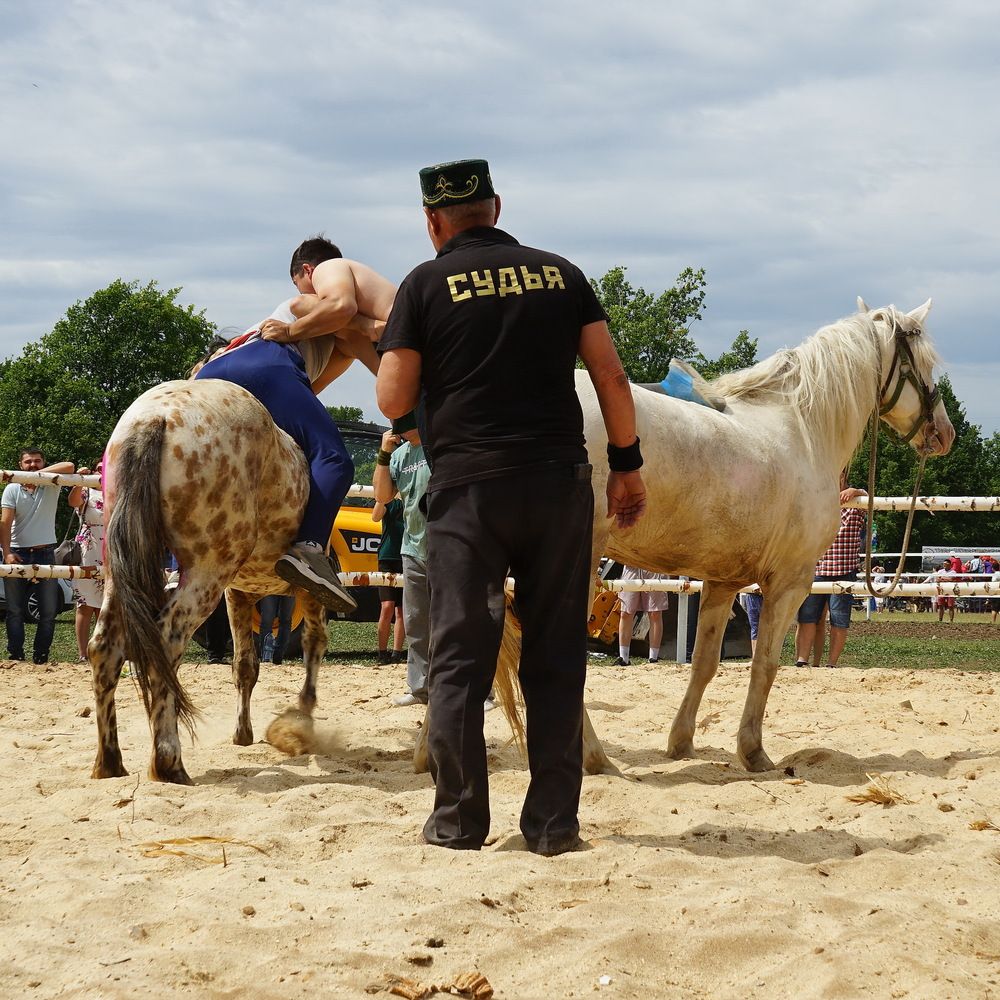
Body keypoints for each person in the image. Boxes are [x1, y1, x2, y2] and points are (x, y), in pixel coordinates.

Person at [377, 158, 646, 856]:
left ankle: (460, 821)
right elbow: (610, 376)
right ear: (495, 206)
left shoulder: (424, 283)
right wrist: (627, 467)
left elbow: (392, 399)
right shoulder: (561, 274)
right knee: (557, 653)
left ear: (433, 221)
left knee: (459, 658)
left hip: (469, 490)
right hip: (558, 483)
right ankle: (554, 826)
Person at [195, 239, 396, 612]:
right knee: (334, 460)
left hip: (217, 369)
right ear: (312, 273)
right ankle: (308, 549)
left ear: (303, 271)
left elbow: (309, 389)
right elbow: (355, 320)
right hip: (265, 362)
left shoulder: (329, 338)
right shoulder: (300, 305)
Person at [373, 417, 433, 705]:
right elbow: (382, 496)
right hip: (412, 548)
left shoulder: (440, 442)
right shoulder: (399, 455)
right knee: (415, 623)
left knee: (456, 623)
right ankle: (419, 689)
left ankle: (480, 691)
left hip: (448, 547)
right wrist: (384, 454)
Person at [1, 449, 75, 664]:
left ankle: (41, 656)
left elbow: (69, 465)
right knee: (14, 610)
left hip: (45, 552)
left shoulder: (52, 483)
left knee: (49, 611)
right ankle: (16, 655)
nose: (32, 465)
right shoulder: (12, 487)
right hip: (18, 551)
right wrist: (7, 553)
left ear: (43, 463)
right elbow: (5, 523)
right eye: (28, 462)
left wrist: (37, 478)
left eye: (37, 461)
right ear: (20, 464)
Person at [794, 475, 867, 668]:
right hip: (818, 568)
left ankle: (831, 663)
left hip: (844, 570)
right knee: (807, 617)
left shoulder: (855, 503)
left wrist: (856, 492)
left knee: (839, 619)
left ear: (844, 477)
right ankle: (802, 659)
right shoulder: (819, 499)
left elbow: (870, 499)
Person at [67, 462, 105, 662]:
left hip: (110, 547)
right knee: (85, 604)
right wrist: (79, 481)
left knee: (104, 605)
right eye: (98, 468)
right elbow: (73, 502)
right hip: (88, 549)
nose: (101, 471)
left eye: (104, 467)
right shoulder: (87, 492)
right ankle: (83, 654)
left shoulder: (116, 490)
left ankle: (102, 651)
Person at [371, 494, 406, 665]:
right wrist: (383, 496)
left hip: (406, 557)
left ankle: (396, 653)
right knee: (387, 607)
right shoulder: (389, 502)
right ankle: (382, 652)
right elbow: (375, 517)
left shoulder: (411, 501)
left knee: (401, 610)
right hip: (387, 558)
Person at [613, 564, 668, 665]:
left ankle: (653, 658)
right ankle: (623, 658)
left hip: (654, 565)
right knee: (625, 613)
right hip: (631, 565)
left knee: (655, 613)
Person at [257, 593, 295, 664]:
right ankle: (271, 658)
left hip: (282, 587)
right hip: (284, 587)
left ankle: (270, 658)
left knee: (268, 620)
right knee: (283, 621)